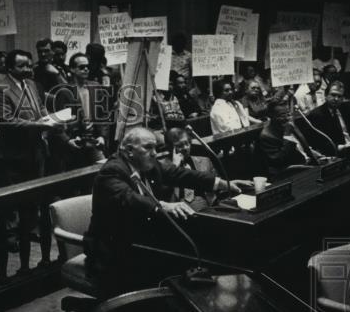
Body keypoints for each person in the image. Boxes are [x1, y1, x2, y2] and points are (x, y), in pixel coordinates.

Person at [84, 127, 249, 297]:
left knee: (193, 249)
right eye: (148, 148)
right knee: (176, 264)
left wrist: (220, 183)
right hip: (113, 250)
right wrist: (163, 205)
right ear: (129, 150)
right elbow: (128, 198)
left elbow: (180, 174)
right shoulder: (112, 170)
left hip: (142, 239)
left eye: (155, 148)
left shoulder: (148, 165)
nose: (154, 153)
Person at [0, 49, 66, 279]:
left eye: (29, 65)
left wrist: (53, 120)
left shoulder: (32, 85)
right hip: (14, 160)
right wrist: (40, 126)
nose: (28, 69)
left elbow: (41, 109)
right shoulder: (2, 88)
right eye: (22, 66)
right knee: (16, 209)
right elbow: (5, 122)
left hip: (36, 156)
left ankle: (32, 262)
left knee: (33, 209)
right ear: (10, 68)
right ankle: (14, 265)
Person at [57, 52, 108, 168]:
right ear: (72, 69)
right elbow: (59, 122)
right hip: (75, 142)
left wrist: (102, 136)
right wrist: (67, 140)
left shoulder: (95, 86)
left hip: (94, 140)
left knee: (101, 170)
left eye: (87, 67)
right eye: (81, 67)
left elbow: (103, 115)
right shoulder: (65, 91)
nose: (86, 69)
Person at [304, 81, 350, 154]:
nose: (336, 99)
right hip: (336, 153)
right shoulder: (316, 115)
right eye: (333, 95)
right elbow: (319, 142)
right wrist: (340, 147)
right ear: (325, 95)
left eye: (339, 96)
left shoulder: (347, 109)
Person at [260, 98, 326, 175]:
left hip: (310, 165)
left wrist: (316, 155)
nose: (287, 118)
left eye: (288, 114)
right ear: (271, 116)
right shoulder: (267, 136)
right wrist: (287, 136)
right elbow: (279, 162)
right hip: (293, 173)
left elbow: (302, 148)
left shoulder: (289, 123)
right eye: (282, 115)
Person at [157, 128, 217, 210]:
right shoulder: (161, 167)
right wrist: (174, 167)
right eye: (179, 145)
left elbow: (215, 187)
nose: (185, 148)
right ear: (169, 148)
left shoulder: (205, 161)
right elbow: (162, 195)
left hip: (207, 207)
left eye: (187, 143)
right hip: (178, 209)